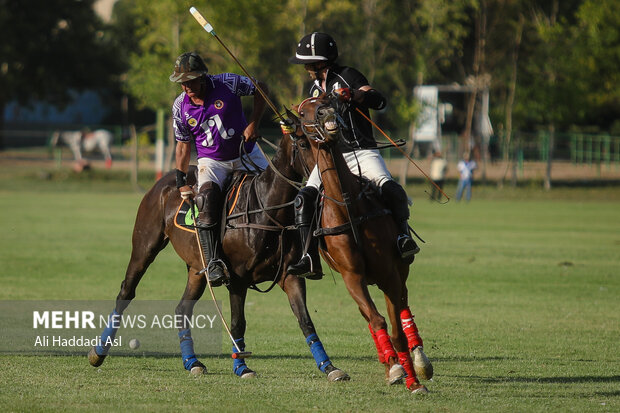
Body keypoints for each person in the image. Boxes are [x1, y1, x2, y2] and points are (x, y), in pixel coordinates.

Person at [286, 32, 419, 279]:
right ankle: (309, 256)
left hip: (361, 151)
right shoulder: (313, 88)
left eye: (308, 64)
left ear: (320, 62)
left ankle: (402, 237)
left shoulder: (349, 75)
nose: (305, 69)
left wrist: (355, 95)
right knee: (304, 199)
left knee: (390, 188)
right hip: (329, 158)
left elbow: (379, 101)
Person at [170, 51, 269, 286]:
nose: (187, 87)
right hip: (212, 162)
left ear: (203, 76)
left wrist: (254, 122)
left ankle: (298, 250)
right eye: (183, 83)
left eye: (191, 81)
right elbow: (183, 145)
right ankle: (214, 262)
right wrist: (181, 179)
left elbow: (261, 89)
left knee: (280, 188)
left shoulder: (228, 82)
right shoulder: (180, 107)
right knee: (205, 200)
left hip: (247, 152)